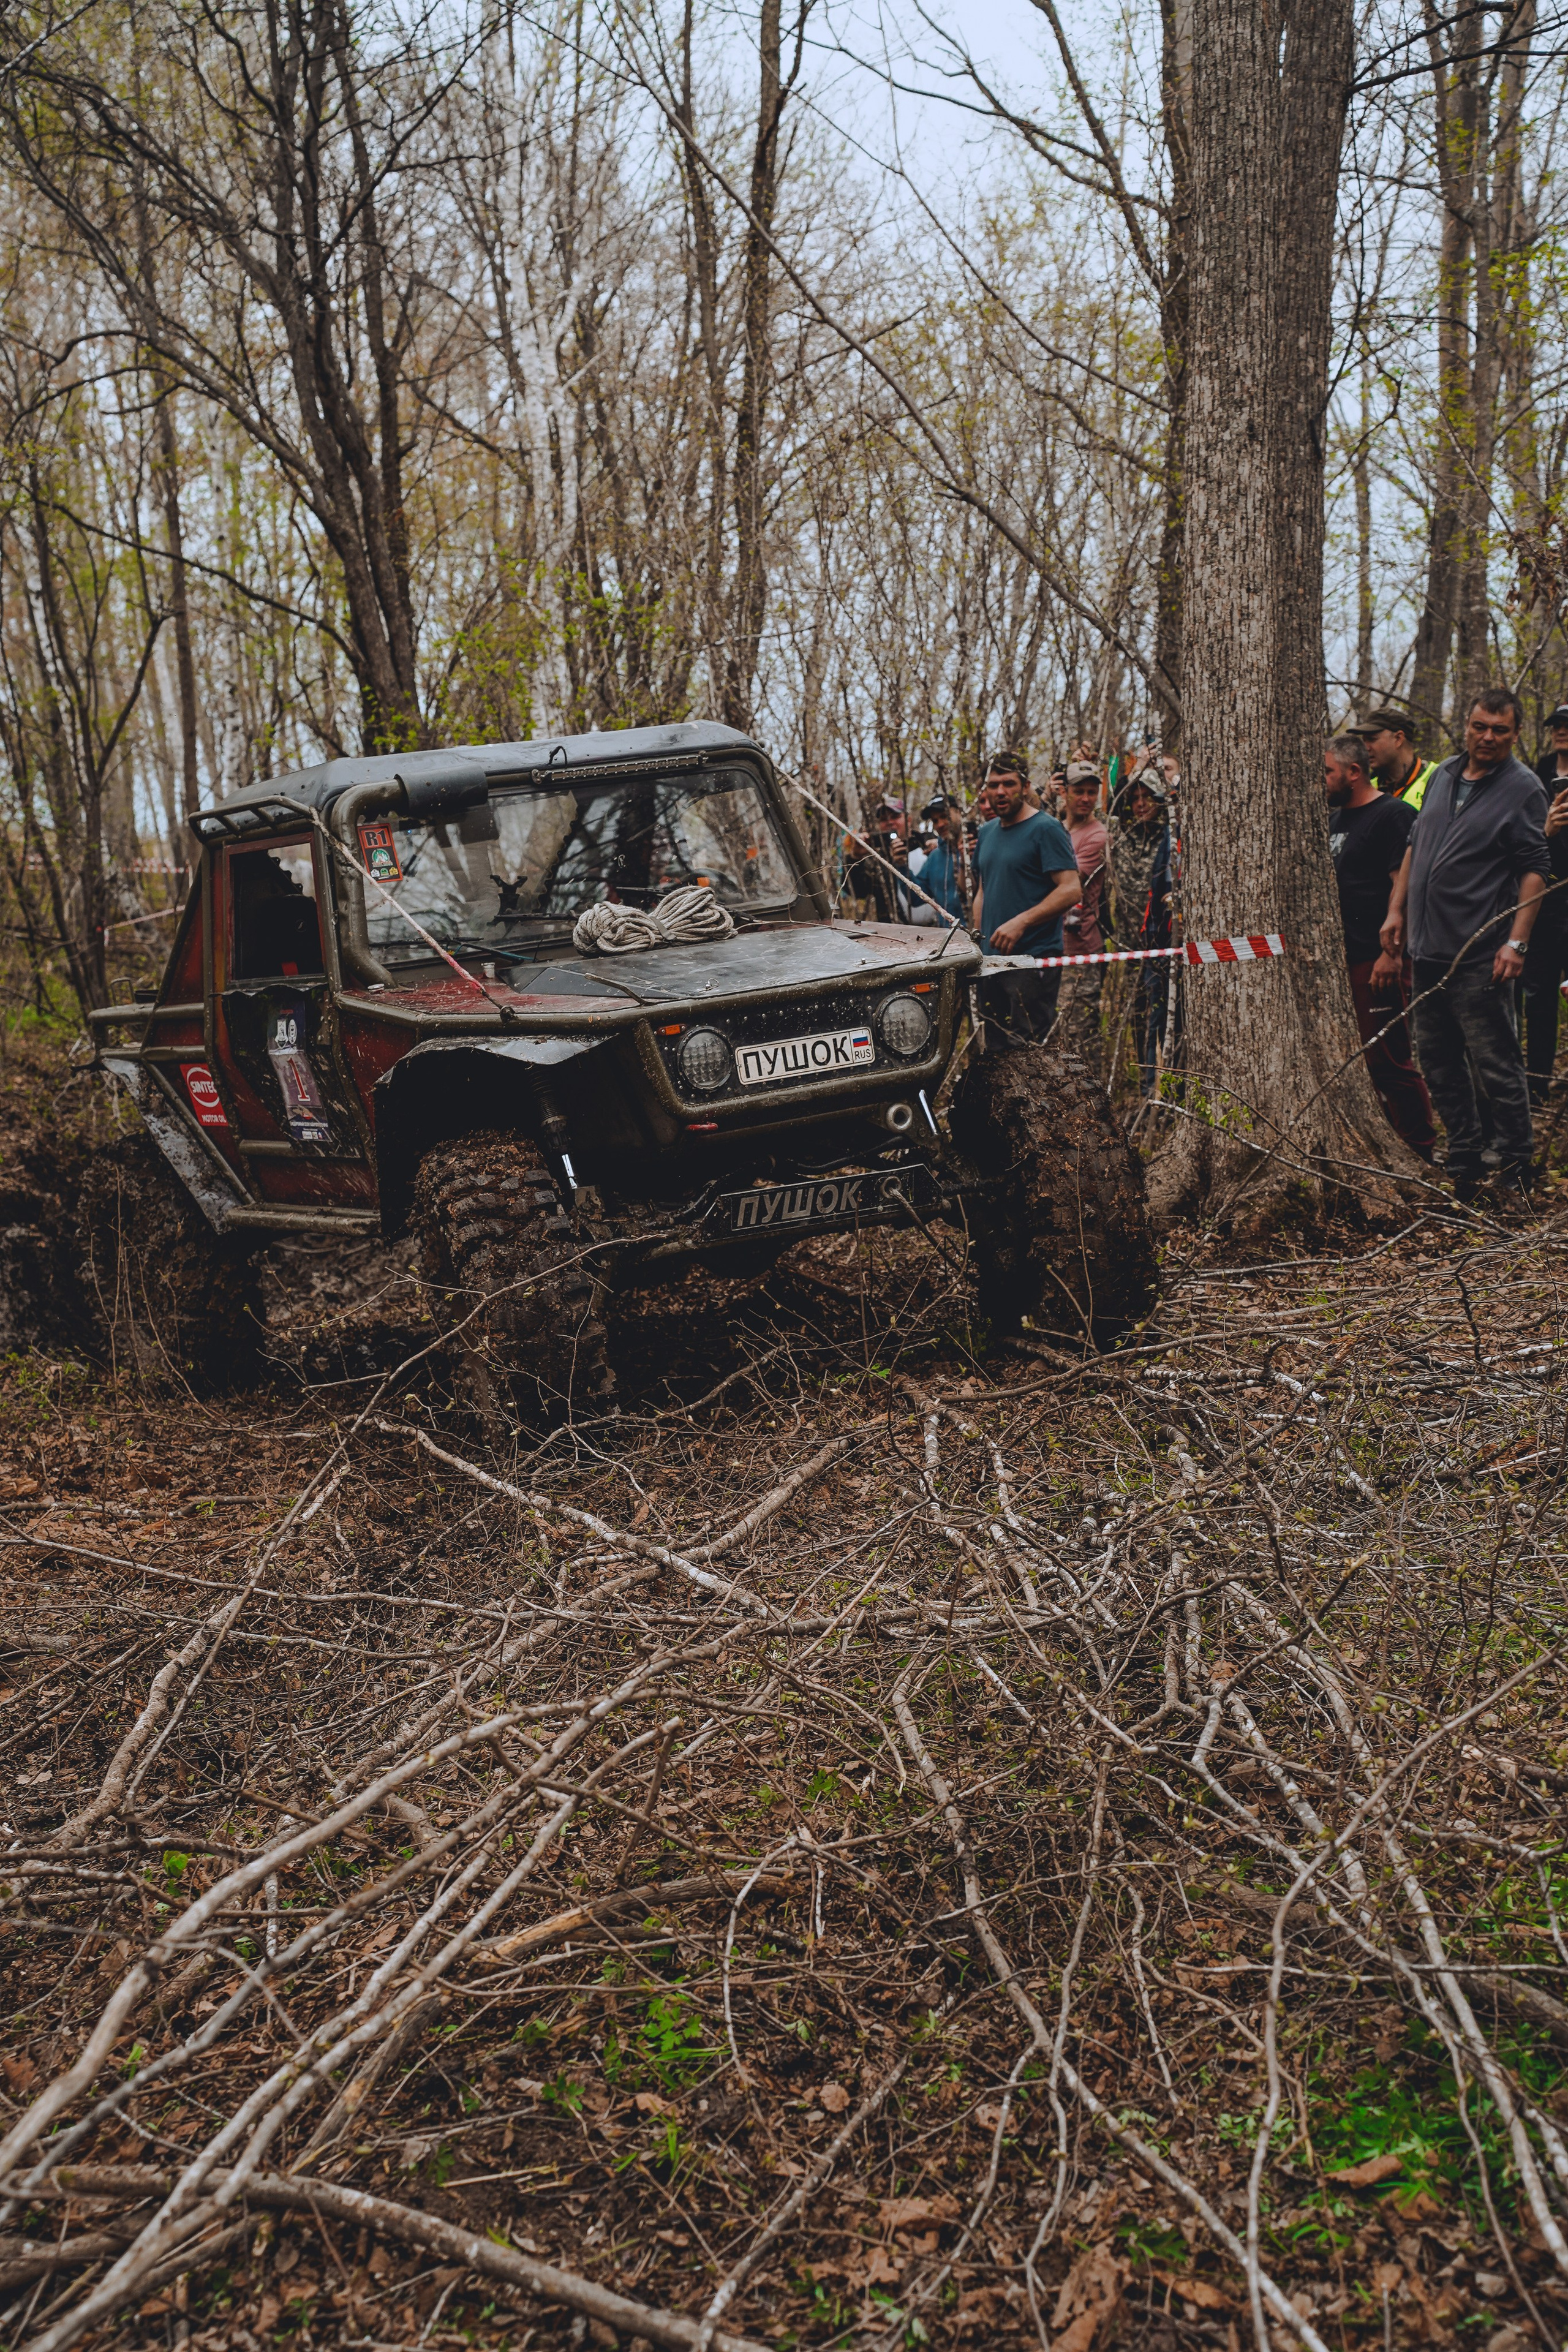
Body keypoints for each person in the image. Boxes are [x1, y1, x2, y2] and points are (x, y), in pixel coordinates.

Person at [1380, 689, 1550, 1201]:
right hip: (1425, 950)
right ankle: (1466, 1158)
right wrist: (1396, 909)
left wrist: (1516, 944)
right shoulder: (1443, 775)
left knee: (1496, 1062)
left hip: (1481, 954)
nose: (1488, 738)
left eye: (1500, 730)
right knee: (1436, 1060)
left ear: (1516, 734)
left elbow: (1535, 870)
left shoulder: (1523, 788)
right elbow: (1416, 846)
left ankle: (1517, 1166)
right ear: (1467, 725)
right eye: (1480, 727)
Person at [1323, 736, 1436, 1160]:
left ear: (1355, 772)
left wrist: (1393, 954)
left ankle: (1420, 1151)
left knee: (1388, 1060)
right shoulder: (1334, 820)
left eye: (1329, 771)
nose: (1324, 780)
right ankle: (1385, 1146)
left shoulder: (1393, 815)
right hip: (1342, 961)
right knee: (1360, 1066)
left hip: (1379, 959)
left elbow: (1404, 890)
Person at [973, 750, 1081, 1044]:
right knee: (994, 1054)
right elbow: (983, 889)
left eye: (1008, 783)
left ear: (1025, 785)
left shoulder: (1046, 829)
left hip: (1032, 962)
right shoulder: (986, 833)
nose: (1001, 792)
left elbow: (1071, 889)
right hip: (990, 963)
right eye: (994, 785)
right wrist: (977, 943)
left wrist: (1022, 921)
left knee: (1028, 1055)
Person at [1109, 767, 1173, 1093]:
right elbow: (1109, 809)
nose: (1141, 804)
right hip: (1129, 940)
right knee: (1137, 1010)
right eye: (1135, 798)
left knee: (1163, 1012)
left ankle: (1167, 1079)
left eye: (1147, 796)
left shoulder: (1170, 837)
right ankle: (1144, 1079)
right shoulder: (1122, 836)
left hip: (1162, 939)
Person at [1523, 704, 1568, 1109]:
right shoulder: (1537, 773)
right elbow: (1528, 839)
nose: (1561, 732)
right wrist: (1548, 829)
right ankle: (1536, 1083)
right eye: (1556, 726)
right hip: (1547, 899)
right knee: (1538, 994)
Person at [1057, 761, 1109, 1048]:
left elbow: (1065, 881)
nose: (1086, 799)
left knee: (1081, 1038)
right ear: (1065, 793)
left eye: (1092, 792)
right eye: (1079, 791)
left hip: (1081, 951)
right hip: (1051, 948)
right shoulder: (1056, 828)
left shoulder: (1096, 836)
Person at [1354, 709, 1439, 811]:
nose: (1366, 748)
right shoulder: (1367, 787)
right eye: (1364, 741)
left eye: (1372, 740)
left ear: (1398, 739)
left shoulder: (1438, 778)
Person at [911, 796, 965, 925]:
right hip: (947, 939)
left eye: (945, 816)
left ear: (959, 812)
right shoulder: (934, 857)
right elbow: (916, 899)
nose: (940, 824)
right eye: (935, 821)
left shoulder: (978, 847)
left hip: (979, 937)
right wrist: (901, 865)